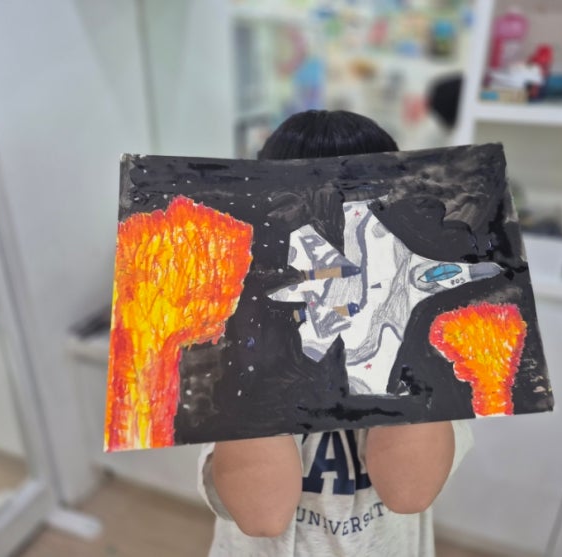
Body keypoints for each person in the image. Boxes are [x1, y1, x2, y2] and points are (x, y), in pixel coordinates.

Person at [198, 110, 473, 557]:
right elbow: (262, 515)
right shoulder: (231, 354)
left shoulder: (431, 351)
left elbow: (409, 491)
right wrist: (260, 317)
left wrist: (388, 307)